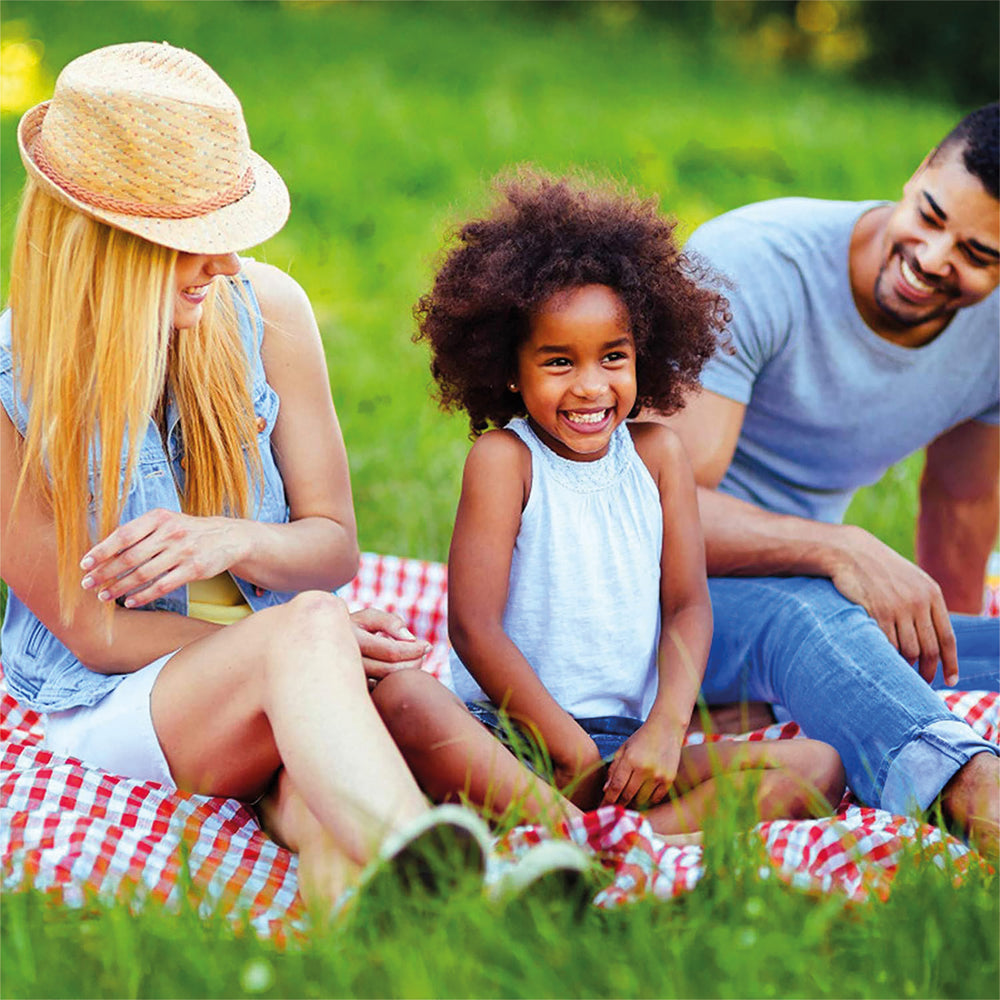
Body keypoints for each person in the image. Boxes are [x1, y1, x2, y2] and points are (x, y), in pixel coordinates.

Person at [0, 41, 583, 914]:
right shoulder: (12, 386)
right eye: (191, 245)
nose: (225, 265)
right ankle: (415, 847)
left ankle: (404, 928)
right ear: (108, 250)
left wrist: (239, 545)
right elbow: (95, 637)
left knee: (320, 801)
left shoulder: (265, 310)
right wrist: (310, 649)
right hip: (114, 707)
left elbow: (334, 548)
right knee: (313, 634)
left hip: (277, 672)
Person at [374, 170, 846, 837]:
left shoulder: (658, 457)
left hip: (628, 750)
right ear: (510, 368)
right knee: (404, 699)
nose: (591, 387)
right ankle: (592, 834)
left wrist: (664, 729)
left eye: (613, 357)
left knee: (819, 766)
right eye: (559, 362)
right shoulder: (505, 461)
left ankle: (595, 840)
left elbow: (687, 605)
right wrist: (564, 745)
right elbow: (473, 629)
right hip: (512, 736)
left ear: (643, 355)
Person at [647, 103, 1000, 853]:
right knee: (810, 606)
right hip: (661, 599)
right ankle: (972, 793)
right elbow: (657, 512)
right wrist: (840, 548)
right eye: (930, 215)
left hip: (811, 603)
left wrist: (934, 664)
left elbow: (963, 500)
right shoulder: (755, 262)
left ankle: (913, 714)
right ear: (916, 176)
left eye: (978, 253)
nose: (936, 257)